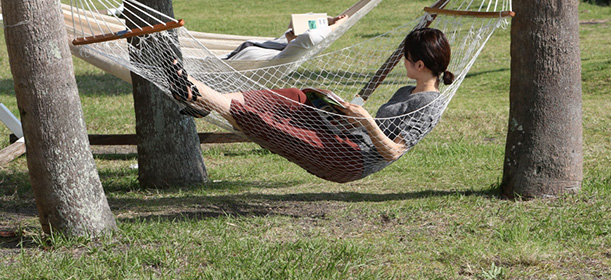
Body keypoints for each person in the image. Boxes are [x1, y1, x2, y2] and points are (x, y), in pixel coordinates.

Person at [163, 27, 455, 183]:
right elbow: (374, 129)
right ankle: (199, 97)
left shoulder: (430, 105)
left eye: (406, 57)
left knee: (275, 128)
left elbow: (393, 152)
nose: (402, 61)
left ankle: (194, 90)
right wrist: (345, 115)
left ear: (418, 64)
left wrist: (365, 121)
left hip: (350, 159)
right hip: (345, 138)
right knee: (301, 96)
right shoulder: (408, 88)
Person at [223, 14, 349, 61]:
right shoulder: (286, 41)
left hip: (222, 69)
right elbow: (295, 21)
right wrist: (330, 20)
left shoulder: (290, 51)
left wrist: (338, 26)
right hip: (220, 60)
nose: (292, 29)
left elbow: (310, 37)